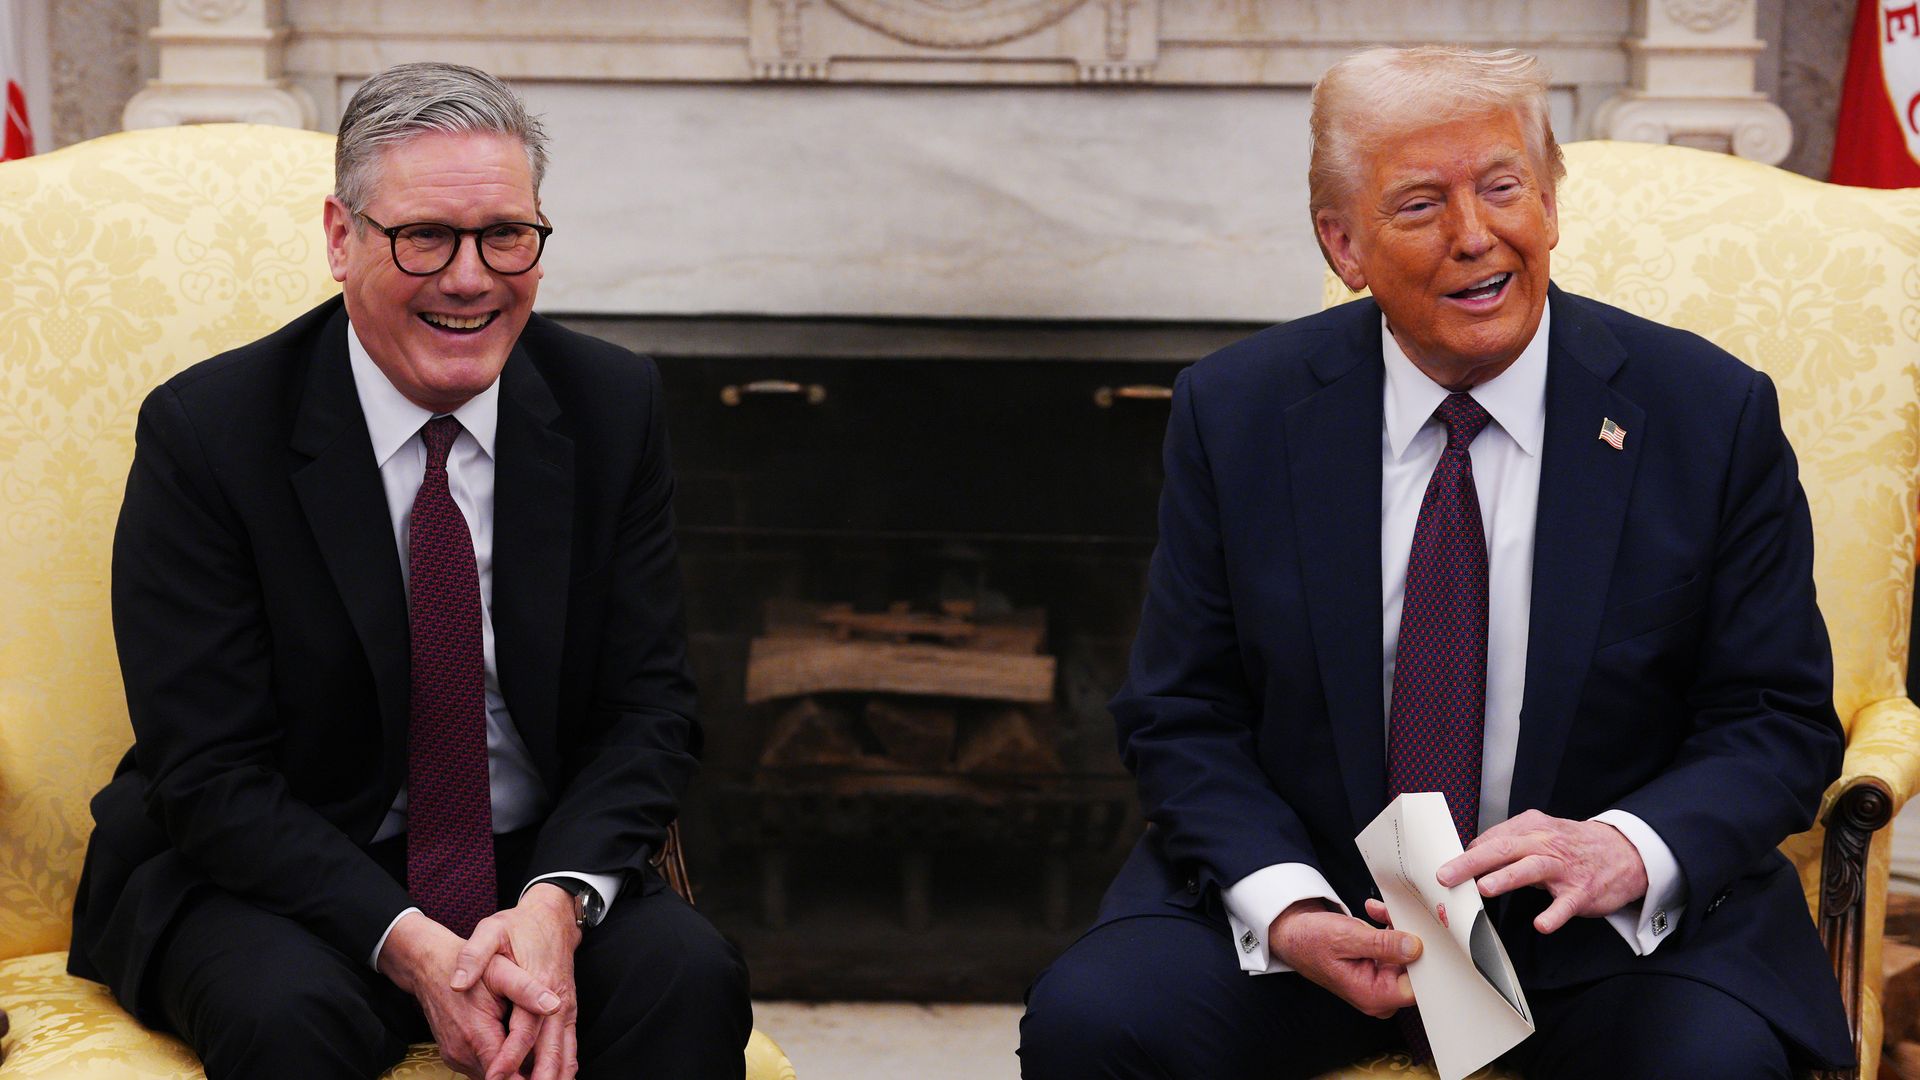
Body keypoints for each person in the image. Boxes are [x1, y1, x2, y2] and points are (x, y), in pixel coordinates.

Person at [1020, 45, 1853, 1079]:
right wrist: (1287, 908)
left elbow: (1775, 718)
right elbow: (1180, 710)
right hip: (1324, 911)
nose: (1476, 236)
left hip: (1594, 936)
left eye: (1503, 187)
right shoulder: (1237, 415)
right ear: (1344, 244)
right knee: (1094, 1026)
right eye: (1419, 206)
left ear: (1548, 200)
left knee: (1712, 1065)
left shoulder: (1706, 415)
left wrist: (1622, 848)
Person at [67, 62, 750, 1080]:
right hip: (274, 872)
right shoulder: (209, 433)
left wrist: (557, 903)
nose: (471, 277)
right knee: (282, 1016)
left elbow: (649, 710)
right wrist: (405, 936)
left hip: (529, 868)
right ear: (342, 239)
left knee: (688, 977)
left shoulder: (610, 406)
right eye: (426, 235)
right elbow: (206, 773)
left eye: (505, 235)